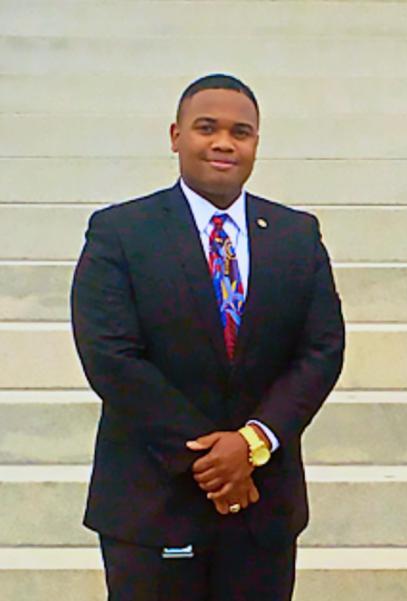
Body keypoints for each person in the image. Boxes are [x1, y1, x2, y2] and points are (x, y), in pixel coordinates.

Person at [71, 73, 345, 600]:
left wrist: (252, 443)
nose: (223, 142)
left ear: (256, 144)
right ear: (176, 136)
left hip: (262, 507)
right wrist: (212, 458)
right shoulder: (120, 232)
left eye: (240, 132)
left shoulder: (296, 234)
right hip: (152, 505)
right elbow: (111, 357)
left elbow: (322, 349)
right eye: (206, 128)